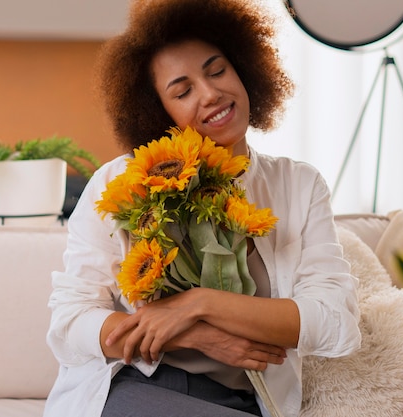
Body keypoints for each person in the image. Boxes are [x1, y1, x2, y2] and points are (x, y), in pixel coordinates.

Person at [43, 0, 361, 416]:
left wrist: (196, 305)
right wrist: (193, 336)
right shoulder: (119, 183)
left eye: (217, 71)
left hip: (250, 399)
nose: (211, 94)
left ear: (244, 68)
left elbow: (334, 322)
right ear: (159, 112)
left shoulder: (298, 185)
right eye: (183, 90)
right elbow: (70, 324)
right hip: (139, 384)